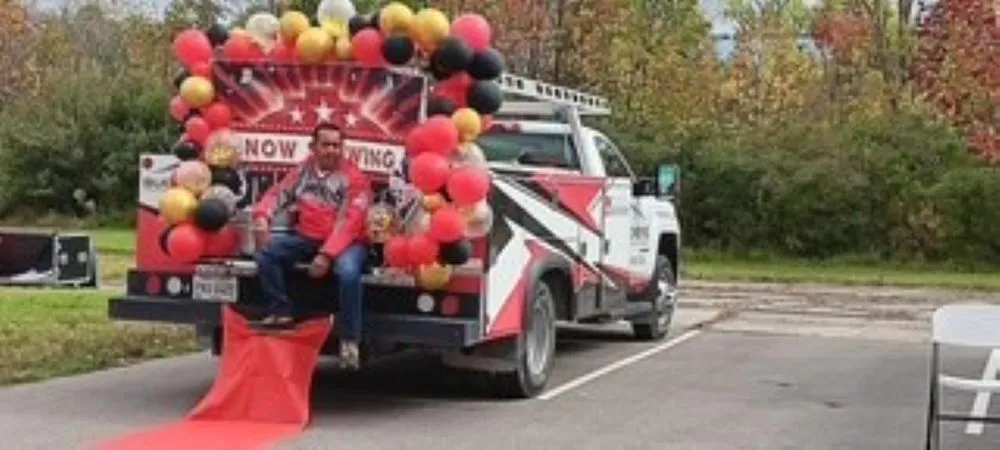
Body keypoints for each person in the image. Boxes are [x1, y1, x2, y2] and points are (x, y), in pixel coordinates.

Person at [251, 122, 372, 368]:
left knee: (348, 273)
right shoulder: (302, 171)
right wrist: (262, 217)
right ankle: (281, 311)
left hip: (349, 242)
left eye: (337, 145)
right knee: (265, 252)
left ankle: (349, 340)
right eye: (326, 145)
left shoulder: (355, 178)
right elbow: (277, 193)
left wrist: (327, 255)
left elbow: (352, 221)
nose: (332, 150)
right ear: (313, 147)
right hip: (308, 237)